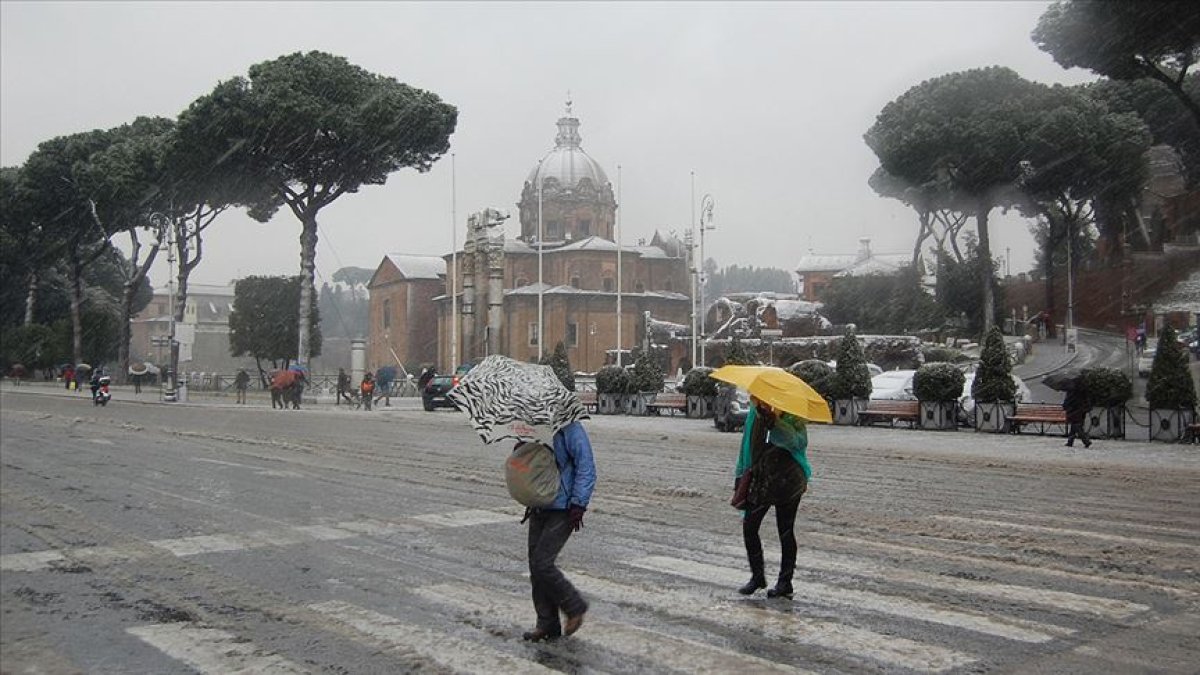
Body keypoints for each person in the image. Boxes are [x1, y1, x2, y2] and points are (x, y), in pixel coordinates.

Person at [521, 421, 595, 642]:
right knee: (535, 566)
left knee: (543, 562)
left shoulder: (569, 427)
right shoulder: (531, 425)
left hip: (563, 507)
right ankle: (547, 623)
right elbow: (532, 464)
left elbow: (586, 464)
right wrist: (521, 451)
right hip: (538, 503)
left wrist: (578, 502)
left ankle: (574, 607)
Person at [734, 398, 811, 599]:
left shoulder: (792, 413)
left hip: (788, 480)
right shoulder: (756, 410)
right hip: (763, 477)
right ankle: (757, 576)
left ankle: (785, 582)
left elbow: (798, 443)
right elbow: (748, 446)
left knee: (785, 531)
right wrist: (741, 474)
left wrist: (775, 422)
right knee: (749, 526)